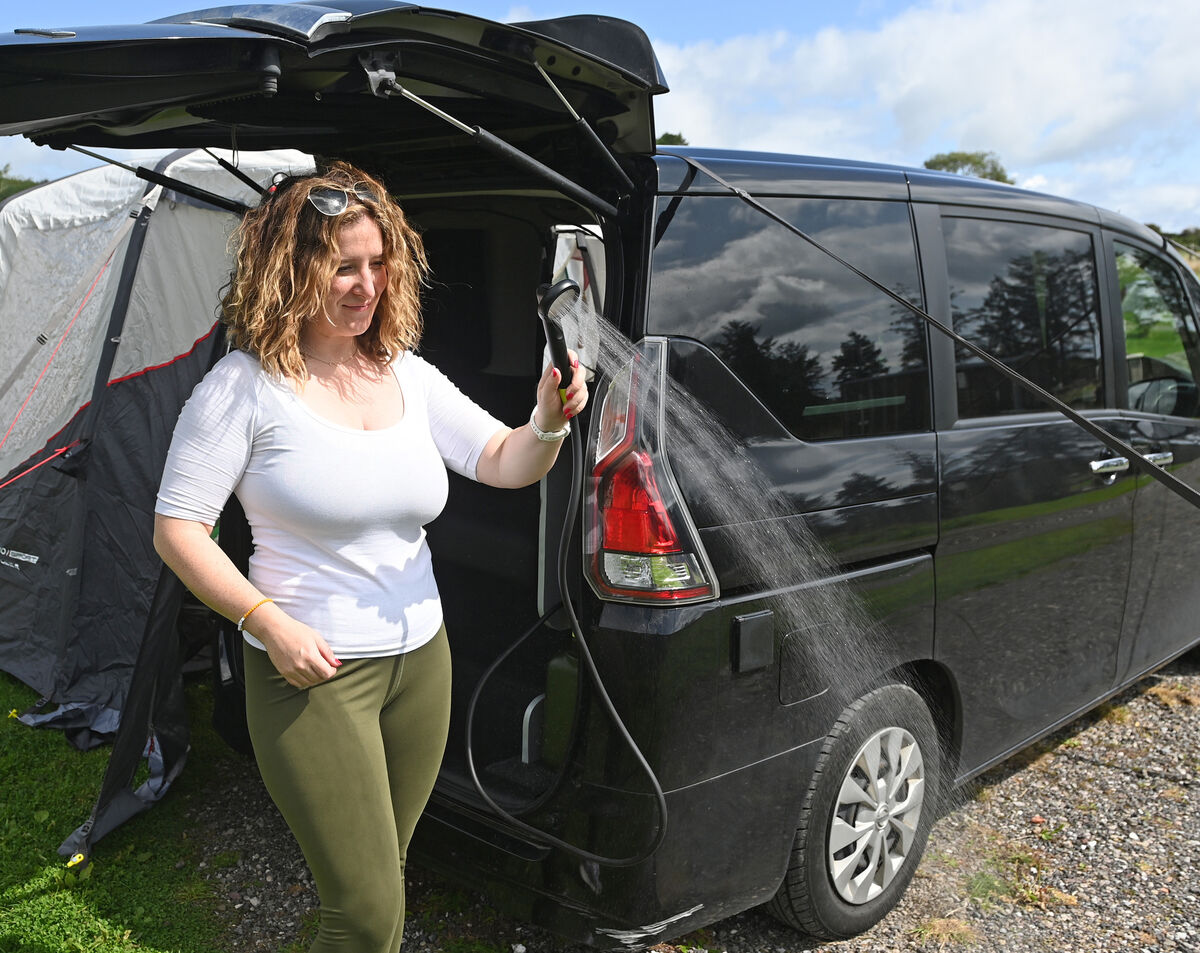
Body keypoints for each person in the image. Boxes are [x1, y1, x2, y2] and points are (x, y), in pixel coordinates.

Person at [153, 161, 587, 953]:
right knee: (365, 914)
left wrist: (548, 420)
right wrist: (266, 621)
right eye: (342, 266)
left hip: (421, 664)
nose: (366, 286)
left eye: (378, 263)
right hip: (309, 672)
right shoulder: (243, 387)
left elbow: (502, 459)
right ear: (290, 269)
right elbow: (178, 529)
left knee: (382, 877)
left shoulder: (405, 375)